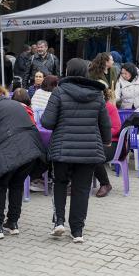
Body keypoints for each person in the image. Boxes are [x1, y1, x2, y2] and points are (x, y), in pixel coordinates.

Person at [40, 59, 111, 244]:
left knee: (60, 183)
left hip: (62, 148)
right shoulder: (97, 94)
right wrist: (106, 141)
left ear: (68, 71)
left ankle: (59, 221)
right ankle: (77, 231)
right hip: (88, 150)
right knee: (82, 189)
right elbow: (105, 123)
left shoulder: (59, 91)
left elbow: (47, 122)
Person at [0, 86, 45, 239]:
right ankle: (12, 223)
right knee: (16, 185)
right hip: (31, 148)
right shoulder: (16, 105)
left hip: (11, 148)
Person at [92, 85, 122, 197]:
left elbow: (116, 128)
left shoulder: (110, 107)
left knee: (94, 155)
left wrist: (100, 134)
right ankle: (75, 184)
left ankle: (105, 184)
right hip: (95, 141)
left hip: (111, 142)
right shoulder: (90, 107)